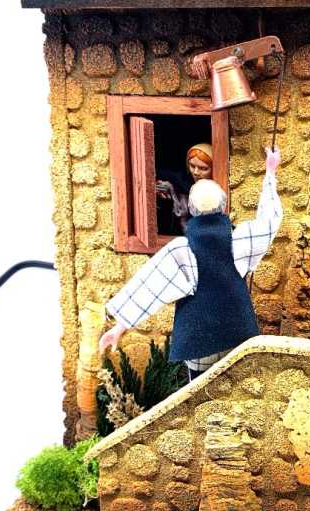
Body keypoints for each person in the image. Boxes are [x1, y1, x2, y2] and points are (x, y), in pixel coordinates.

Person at [99, 147, 282, 380]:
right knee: (238, 388)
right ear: (223, 206)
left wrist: (119, 328)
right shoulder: (241, 239)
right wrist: (270, 173)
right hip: (237, 333)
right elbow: (269, 221)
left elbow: (150, 289)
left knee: (199, 394)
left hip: (198, 341)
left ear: (192, 209)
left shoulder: (181, 250)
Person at [155, 142, 215, 235]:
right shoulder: (182, 181)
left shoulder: (216, 187)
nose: (196, 172)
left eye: (203, 168)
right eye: (192, 166)